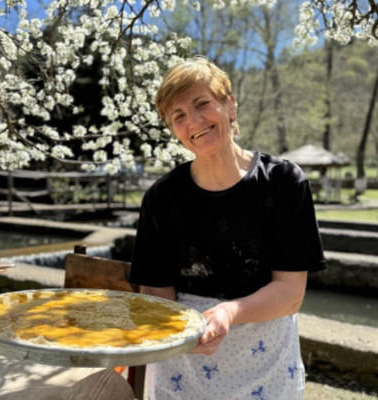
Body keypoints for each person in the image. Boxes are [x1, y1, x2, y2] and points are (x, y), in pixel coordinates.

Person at [129, 56, 326, 400]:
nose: (193, 121)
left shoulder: (283, 183)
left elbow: (291, 292)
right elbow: (157, 293)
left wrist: (228, 312)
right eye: (178, 116)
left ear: (230, 105)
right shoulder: (161, 198)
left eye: (201, 103)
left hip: (267, 367)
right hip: (184, 368)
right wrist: (178, 332)